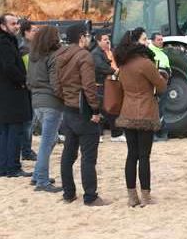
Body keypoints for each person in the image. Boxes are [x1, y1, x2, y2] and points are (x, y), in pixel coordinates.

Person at [114, 30, 168, 207]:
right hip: (145, 112)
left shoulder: (123, 65)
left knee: (131, 155)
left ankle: (132, 197)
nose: (147, 42)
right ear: (136, 42)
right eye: (144, 39)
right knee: (144, 156)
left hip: (127, 112)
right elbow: (160, 87)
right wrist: (164, 77)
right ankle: (146, 196)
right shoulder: (145, 63)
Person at [54, 23, 105, 206]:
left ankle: (69, 193)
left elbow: (57, 86)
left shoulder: (60, 56)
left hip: (68, 110)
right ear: (82, 37)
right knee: (88, 156)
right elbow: (89, 87)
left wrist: (67, 99)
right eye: (88, 35)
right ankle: (90, 196)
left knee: (68, 154)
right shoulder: (84, 56)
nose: (90, 38)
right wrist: (96, 110)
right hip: (84, 111)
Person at [0, 14, 33, 178]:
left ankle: (5, 167)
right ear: (2, 26)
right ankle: (11, 167)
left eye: (17, 23)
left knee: (6, 132)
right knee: (12, 132)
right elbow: (9, 68)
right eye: (13, 23)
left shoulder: (5, 42)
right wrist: (24, 81)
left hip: (6, 94)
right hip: (11, 94)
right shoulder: (3, 43)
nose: (17, 26)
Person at [27, 26, 63, 193]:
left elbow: (29, 81)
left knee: (52, 139)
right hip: (51, 103)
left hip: (36, 102)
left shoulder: (33, 58)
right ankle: (42, 181)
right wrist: (64, 96)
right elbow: (55, 83)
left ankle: (37, 175)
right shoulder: (53, 57)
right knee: (47, 142)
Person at [91, 33, 120, 142]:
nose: (107, 41)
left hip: (111, 83)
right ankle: (99, 134)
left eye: (108, 39)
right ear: (98, 41)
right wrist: (115, 71)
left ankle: (116, 134)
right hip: (100, 85)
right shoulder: (95, 53)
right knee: (101, 109)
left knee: (111, 108)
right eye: (104, 39)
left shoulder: (110, 52)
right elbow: (100, 66)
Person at [18, 19, 38, 161]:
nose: (36, 33)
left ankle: (25, 149)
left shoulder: (30, 47)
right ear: (26, 32)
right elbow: (30, 70)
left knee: (29, 121)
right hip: (28, 89)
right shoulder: (25, 49)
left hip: (28, 88)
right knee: (28, 121)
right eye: (34, 31)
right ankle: (26, 150)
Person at [149, 33, 171, 142]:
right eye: (159, 40)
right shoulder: (149, 52)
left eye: (162, 39)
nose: (161, 41)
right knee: (153, 110)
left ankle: (162, 133)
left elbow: (168, 69)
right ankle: (153, 134)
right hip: (153, 86)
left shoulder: (163, 54)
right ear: (152, 41)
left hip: (163, 85)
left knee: (161, 109)